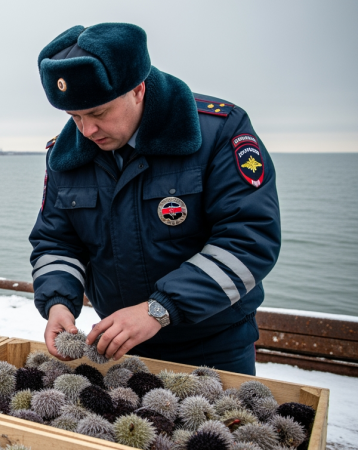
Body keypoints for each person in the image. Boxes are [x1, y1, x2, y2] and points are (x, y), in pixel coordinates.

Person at [29, 23, 280, 375]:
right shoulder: (65, 153)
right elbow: (56, 242)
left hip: (215, 345)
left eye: (98, 113)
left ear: (138, 89)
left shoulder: (222, 130)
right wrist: (58, 302)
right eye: (75, 117)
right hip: (117, 346)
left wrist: (158, 309)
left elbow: (250, 239)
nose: (86, 130)